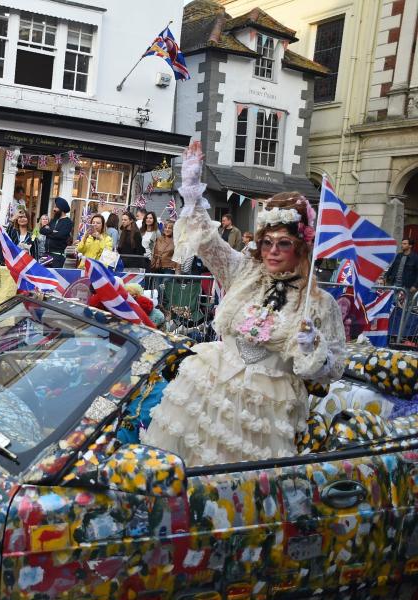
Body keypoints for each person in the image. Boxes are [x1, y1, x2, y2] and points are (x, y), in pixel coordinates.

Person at [142, 142, 344, 467]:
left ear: (302, 247)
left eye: (284, 243)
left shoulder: (320, 302)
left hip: (266, 410)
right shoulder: (244, 271)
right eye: (266, 242)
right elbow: (210, 245)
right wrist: (192, 197)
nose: (272, 251)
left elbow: (331, 370)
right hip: (214, 389)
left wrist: (313, 345)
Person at [38, 197, 72, 267]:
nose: (54, 209)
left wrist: (49, 232)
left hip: (57, 256)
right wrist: (53, 231)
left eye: (56, 207)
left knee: (53, 276)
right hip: (46, 254)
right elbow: (42, 230)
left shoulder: (68, 222)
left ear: (61, 209)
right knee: (42, 275)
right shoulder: (53, 220)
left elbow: (60, 236)